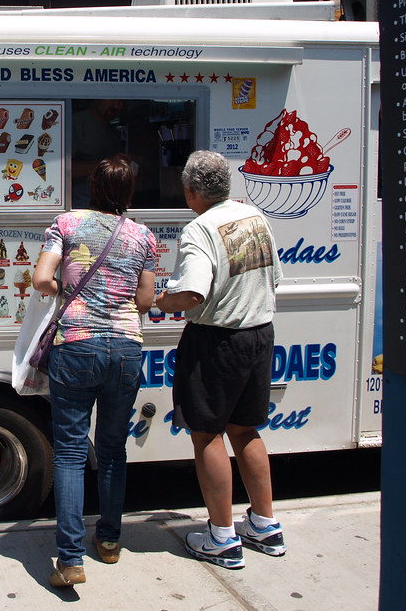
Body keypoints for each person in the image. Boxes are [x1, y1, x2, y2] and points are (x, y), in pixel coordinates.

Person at [154, 150, 285, 570]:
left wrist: (158, 300)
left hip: (216, 341)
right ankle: (265, 525)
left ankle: (222, 537)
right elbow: (276, 278)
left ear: (190, 191)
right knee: (246, 430)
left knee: (207, 435)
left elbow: (193, 293)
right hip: (260, 335)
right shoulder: (255, 217)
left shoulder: (199, 229)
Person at [32, 154, 157, 587]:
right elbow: (144, 300)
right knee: (113, 450)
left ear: (93, 187)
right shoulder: (143, 236)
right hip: (126, 349)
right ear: (128, 192)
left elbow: (41, 279)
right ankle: (109, 541)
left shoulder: (64, 225)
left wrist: (70, 293)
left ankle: (70, 559)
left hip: (77, 345)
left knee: (69, 453)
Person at [70, 99, 126, 208]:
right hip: (79, 209)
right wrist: (108, 163)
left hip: (109, 208)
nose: (117, 105)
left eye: (122, 102)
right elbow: (62, 169)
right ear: (96, 98)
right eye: (113, 100)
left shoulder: (113, 132)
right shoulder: (75, 123)